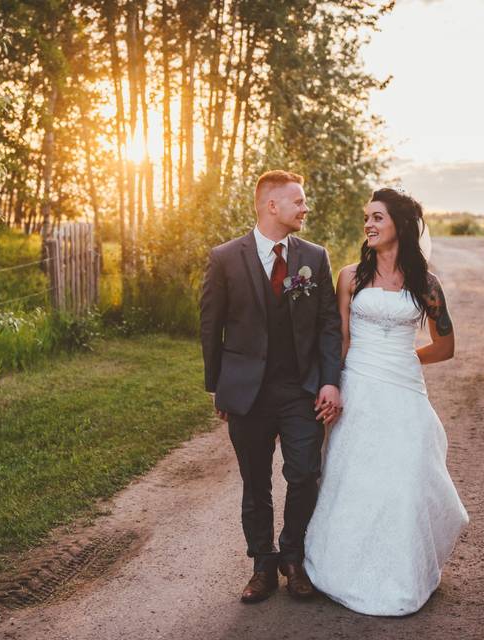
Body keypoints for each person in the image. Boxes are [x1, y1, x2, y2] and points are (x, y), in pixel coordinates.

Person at [303, 187, 469, 616]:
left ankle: (404, 573)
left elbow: (445, 346)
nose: (369, 225)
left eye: (378, 217)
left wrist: (402, 359)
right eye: (367, 218)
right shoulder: (350, 277)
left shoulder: (426, 285)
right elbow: (339, 339)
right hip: (357, 385)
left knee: (406, 476)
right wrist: (331, 385)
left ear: (401, 225)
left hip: (403, 387)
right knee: (354, 477)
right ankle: (339, 569)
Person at [199, 169, 343, 603]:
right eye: (298, 201)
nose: (305, 208)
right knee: (254, 481)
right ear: (271, 206)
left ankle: (293, 556)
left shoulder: (314, 257)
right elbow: (211, 326)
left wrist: (330, 381)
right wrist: (218, 389)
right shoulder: (225, 258)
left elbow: (328, 325)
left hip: (301, 390)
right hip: (248, 393)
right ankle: (262, 564)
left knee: (305, 474)